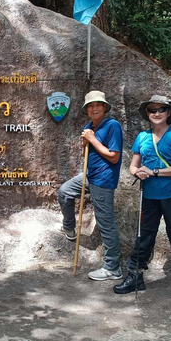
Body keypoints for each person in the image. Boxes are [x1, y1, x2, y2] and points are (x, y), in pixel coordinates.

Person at [113, 95, 171, 299]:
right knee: (143, 235)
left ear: (168, 113)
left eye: (161, 109)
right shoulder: (142, 137)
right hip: (149, 194)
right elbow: (133, 166)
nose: (156, 113)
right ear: (147, 113)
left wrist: (153, 172)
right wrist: (138, 173)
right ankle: (135, 275)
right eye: (152, 110)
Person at [58, 90, 124, 280]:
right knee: (65, 191)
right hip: (90, 175)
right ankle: (69, 228)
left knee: (105, 223)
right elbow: (84, 154)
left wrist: (93, 139)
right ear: (87, 110)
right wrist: (84, 143)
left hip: (103, 179)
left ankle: (113, 267)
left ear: (104, 107)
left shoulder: (113, 126)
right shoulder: (89, 126)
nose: (94, 108)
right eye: (91, 106)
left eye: (98, 105)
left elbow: (114, 156)